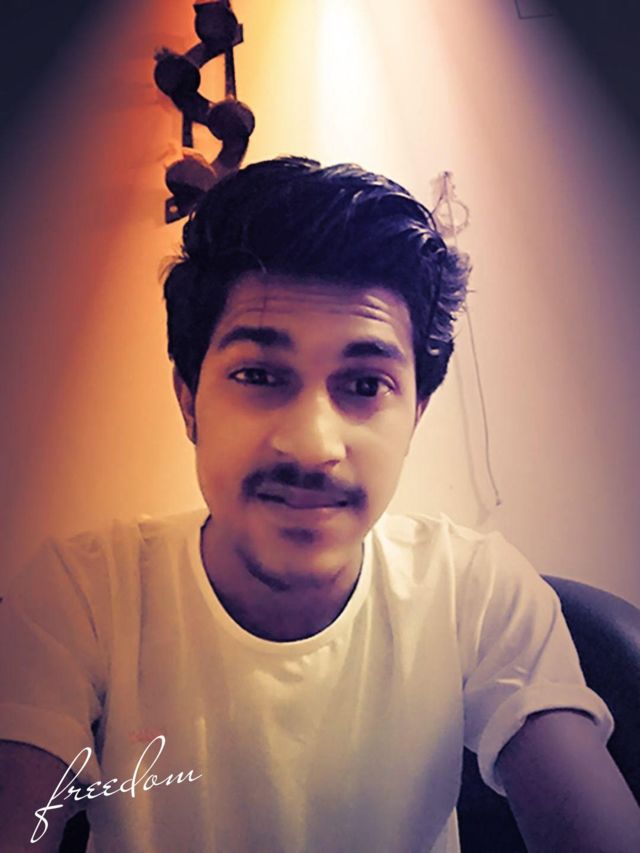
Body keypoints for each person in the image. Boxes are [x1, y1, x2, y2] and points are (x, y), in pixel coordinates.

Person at [0, 156, 639, 853]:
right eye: (258, 374)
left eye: (364, 385)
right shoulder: (84, 594)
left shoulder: (477, 591)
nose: (311, 446)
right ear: (190, 401)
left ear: (416, 414)